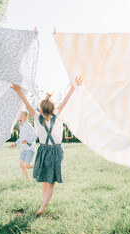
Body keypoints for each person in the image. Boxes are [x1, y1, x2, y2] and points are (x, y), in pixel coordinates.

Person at [11, 77, 82, 215]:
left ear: (41, 110)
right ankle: (44, 204)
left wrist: (19, 91)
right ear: (53, 109)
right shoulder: (59, 115)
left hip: (43, 151)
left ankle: (44, 204)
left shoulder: (37, 118)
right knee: (50, 182)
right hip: (56, 151)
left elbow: (27, 103)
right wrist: (73, 87)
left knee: (45, 179)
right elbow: (65, 101)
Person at [10, 111, 37, 182]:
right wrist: (15, 143)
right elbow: (21, 138)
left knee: (26, 165)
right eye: (19, 116)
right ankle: (28, 181)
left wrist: (28, 141)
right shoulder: (21, 126)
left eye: (22, 116)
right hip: (23, 149)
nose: (20, 117)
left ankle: (39, 166)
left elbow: (34, 136)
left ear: (26, 117)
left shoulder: (28, 126)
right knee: (22, 165)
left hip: (30, 149)